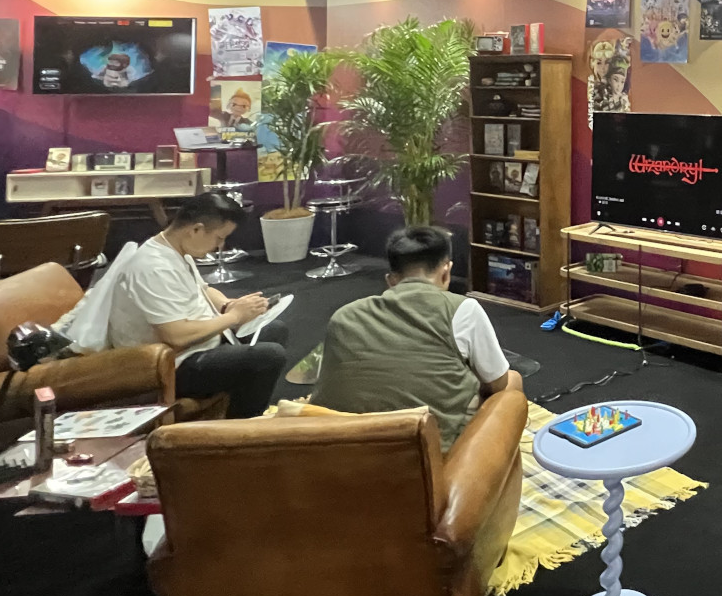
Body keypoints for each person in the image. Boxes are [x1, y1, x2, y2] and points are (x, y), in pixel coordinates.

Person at [310, 226, 521, 448]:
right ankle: (498, 461)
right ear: (446, 272)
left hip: (344, 450)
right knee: (512, 380)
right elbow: (497, 383)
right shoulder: (464, 309)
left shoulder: (343, 316)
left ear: (391, 280)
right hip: (426, 455)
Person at [105, 191, 288, 418]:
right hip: (172, 365)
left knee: (273, 329)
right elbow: (175, 335)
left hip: (200, 345)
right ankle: (238, 429)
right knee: (269, 357)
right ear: (196, 230)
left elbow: (202, 290)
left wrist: (229, 305)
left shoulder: (175, 250)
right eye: (219, 238)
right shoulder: (152, 268)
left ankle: (235, 409)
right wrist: (234, 317)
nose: (220, 245)